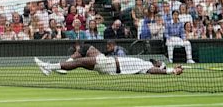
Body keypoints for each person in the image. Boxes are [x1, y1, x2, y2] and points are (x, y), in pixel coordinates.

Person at [34, 44, 183, 76]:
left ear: (159, 65)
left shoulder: (146, 67)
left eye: (157, 62)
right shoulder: (144, 62)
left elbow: (155, 70)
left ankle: (49, 66)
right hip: (108, 61)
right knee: (87, 48)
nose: (155, 61)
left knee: (79, 62)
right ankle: (59, 66)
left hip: (110, 67)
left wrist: (171, 71)